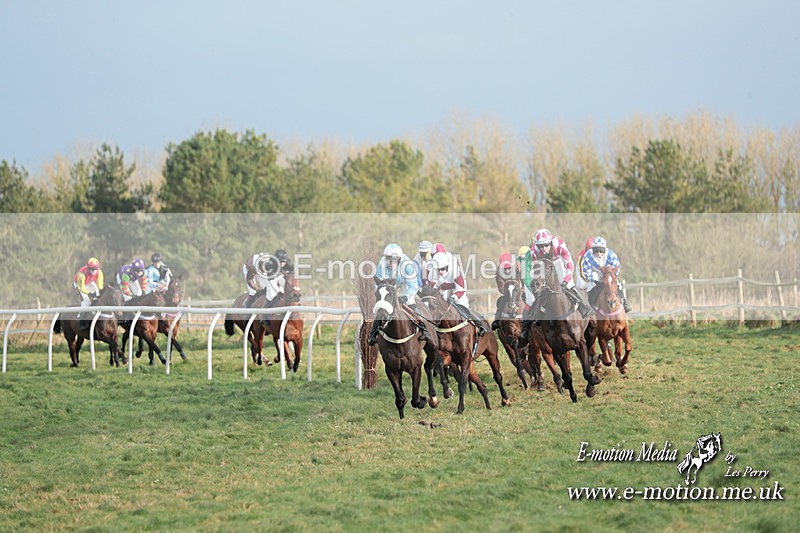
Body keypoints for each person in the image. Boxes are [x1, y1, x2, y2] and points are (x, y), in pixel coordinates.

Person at [368, 243, 430, 345]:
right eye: (389, 260)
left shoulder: (408, 266)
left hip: (405, 286)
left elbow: (413, 286)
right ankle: (373, 333)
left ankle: (424, 328)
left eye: (395, 260)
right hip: (389, 287)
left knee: (411, 302)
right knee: (381, 305)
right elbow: (378, 285)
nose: (392, 263)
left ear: (400, 259)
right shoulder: (381, 265)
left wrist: (405, 297)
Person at [522, 228, 593, 318]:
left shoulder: (560, 245)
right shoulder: (534, 251)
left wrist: (566, 280)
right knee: (540, 290)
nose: (543, 249)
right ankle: (533, 317)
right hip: (543, 264)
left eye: (546, 245)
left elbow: (569, 265)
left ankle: (583, 306)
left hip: (557, 260)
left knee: (569, 285)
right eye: (541, 246)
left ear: (551, 243)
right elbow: (536, 270)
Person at [428, 250, 488, 336]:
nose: (441, 271)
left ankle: (481, 325)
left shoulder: (455, 270)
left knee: (464, 307)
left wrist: (454, 297)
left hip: (456, 291)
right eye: (438, 270)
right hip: (442, 291)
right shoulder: (432, 273)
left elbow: (461, 288)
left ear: (448, 266)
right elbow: (431, 287)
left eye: (443, 269)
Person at [581, 236, 632, 312]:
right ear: (592, 250)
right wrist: (594, 281)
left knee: (618, 284)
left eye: (601, 251)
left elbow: (617, 268)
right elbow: (586, 271)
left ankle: (624, 302)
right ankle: (591, 305)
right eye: (596, 251)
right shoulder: (587, 256)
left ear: (605, 249)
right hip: (595, 273)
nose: (598, 253)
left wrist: (612, 276)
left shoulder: (611, 255)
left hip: (609, 273)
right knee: (590, 284)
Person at [491, 252, 521, 330]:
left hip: (519, 290)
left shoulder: (518, 267)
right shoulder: (498, 273)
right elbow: (501, 288)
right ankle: (497, 321)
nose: (507, 271)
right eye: (505, 269)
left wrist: (520, 288)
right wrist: (508, 290)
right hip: (508, 292)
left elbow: (523, 280)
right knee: (500, 301)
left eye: (509, 268)